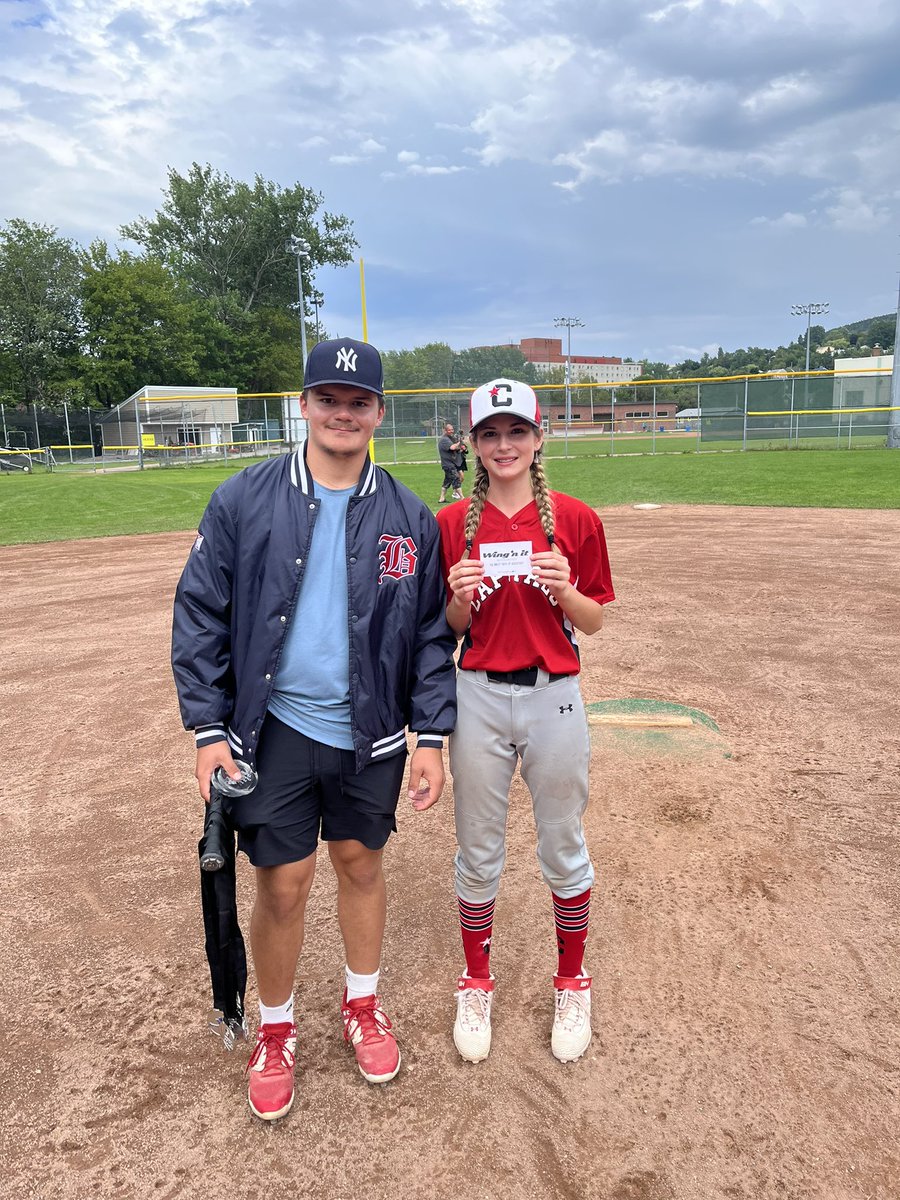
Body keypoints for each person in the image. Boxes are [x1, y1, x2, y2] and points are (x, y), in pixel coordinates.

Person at [172, 337, 457, 1121]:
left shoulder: (409, 516)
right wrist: (207, 729)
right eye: (328, 398)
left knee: (361, 865)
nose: (342, 413)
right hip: (277, 729)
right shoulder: (243, 499)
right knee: (283, 883)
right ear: (303, 405)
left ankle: (362, 1004)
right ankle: (275, 1028)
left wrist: (432, 736)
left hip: (372, 731)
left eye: (358, 402)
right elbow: (200, 614)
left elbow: (431, 635)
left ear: (378, 413)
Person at [436, 378, 615, 1065]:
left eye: (517, 432)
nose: (504, 445)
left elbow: (593, 622)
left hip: (553, 694)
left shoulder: (575, 518)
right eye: (490, 434)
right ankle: (476, 980)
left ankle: (572, 980)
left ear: (539, 439)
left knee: (563, 842)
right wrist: (458, 599)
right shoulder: (454, 523)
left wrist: (564, 588)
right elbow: (450, 629)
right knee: (477, 848)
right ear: (473, 444)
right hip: (477, 695)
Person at [438, 421, 463, 503]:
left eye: (452, 429)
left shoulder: (449, 438)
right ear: (445, 431)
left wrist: (460, 446)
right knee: (456, 479)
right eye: (449, 430)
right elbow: (452, 447)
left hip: (450, 464)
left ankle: (442, 498)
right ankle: (462, 498)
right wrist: (459, 442)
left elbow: (456, 448)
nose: (452, 431)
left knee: (447, 481)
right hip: (448, 464)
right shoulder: (444, 439)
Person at [454, 428, 469, 496]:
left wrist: (464, 449)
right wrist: (460, 450)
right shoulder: (455, 444)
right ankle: (456, 491)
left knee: (461, 478)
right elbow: (454, 451)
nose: (461, 438)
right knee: (461, 477)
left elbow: (467, 451)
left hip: (462, 461)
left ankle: (455, 491)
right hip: (457, 461)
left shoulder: (462, 443)